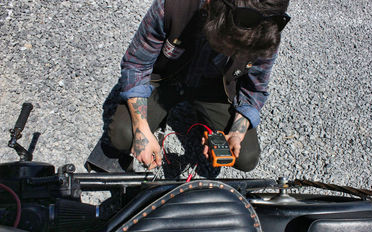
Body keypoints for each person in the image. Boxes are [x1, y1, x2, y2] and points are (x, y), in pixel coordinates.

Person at [106, 0, 290, 172]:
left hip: (216, 89)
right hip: (166, 79)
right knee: (124, 136)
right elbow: (137, 64)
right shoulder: (173, 6)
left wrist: (236, 132)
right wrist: (141, 129)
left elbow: (254, 89)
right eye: (231, 45)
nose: (234, 53)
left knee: (246, 157)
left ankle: (205, 119)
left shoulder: (266, 31)